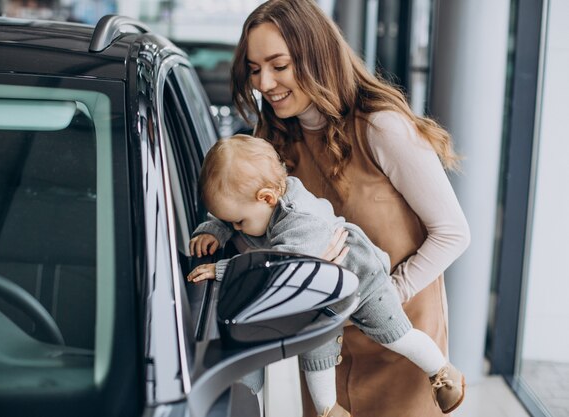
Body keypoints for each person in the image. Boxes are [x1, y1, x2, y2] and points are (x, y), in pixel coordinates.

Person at [228, 1, 471, 416]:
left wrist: (385, 296)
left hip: (401, 348)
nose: (264, 82)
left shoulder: (381, 127)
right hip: (325, 348)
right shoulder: (271, 140)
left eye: (278, 65)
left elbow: (452, 232)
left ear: (316, 57)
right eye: (254, 69)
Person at [188, 134, 466, 417]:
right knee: (316, 354)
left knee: (396, 336)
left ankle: (442, 372)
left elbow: (279, 269)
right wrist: (213, 230)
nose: (237, 228)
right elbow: (229, 214)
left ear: (268, 198)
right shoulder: (262, 198)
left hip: (363, 280)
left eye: (239, 223)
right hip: (320, 294)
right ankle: (329, 410)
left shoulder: (300, 221)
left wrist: (221, 270)